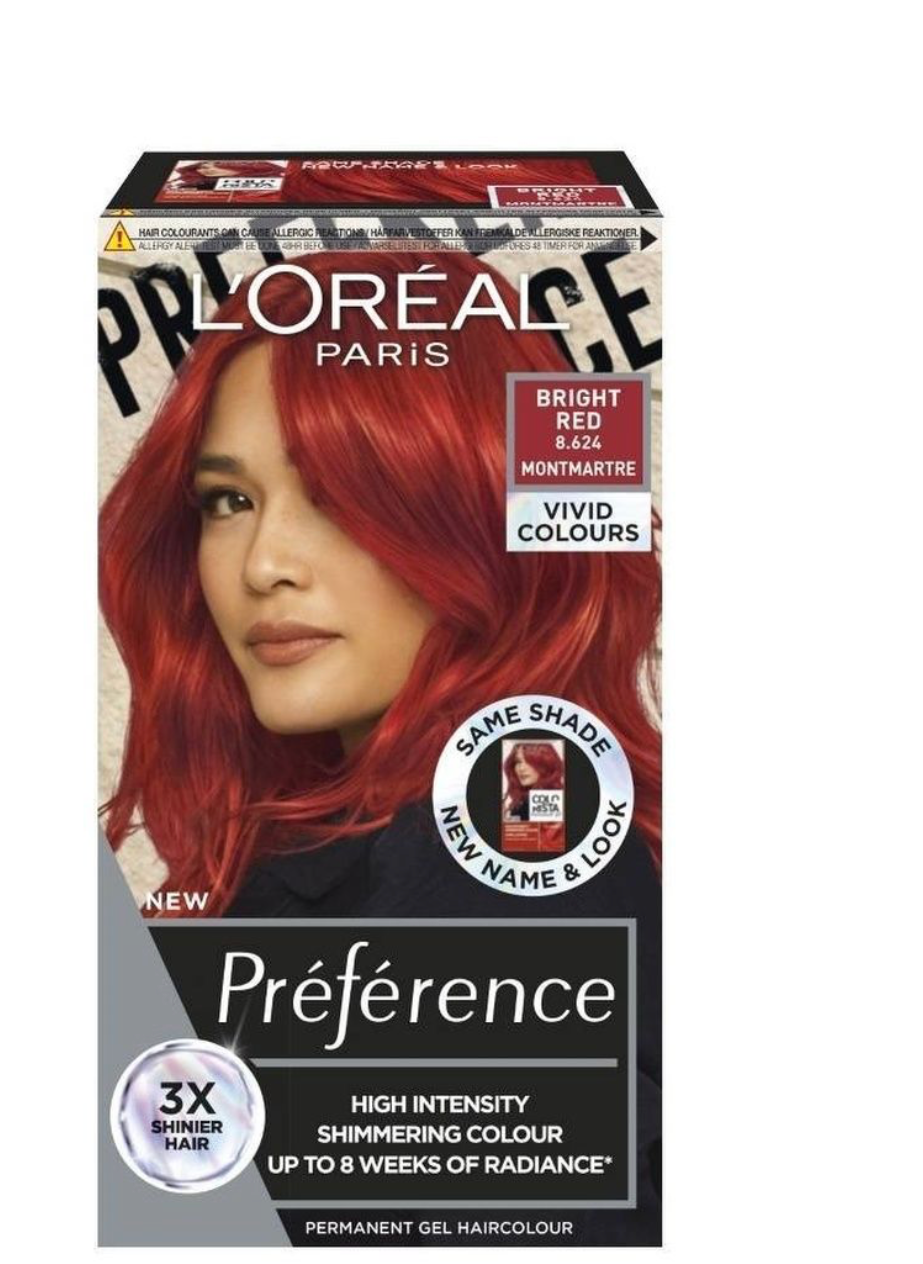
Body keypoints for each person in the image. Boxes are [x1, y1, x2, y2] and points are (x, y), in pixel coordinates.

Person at [99, 248, 661, 920]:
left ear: (491, 518)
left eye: (336, 498)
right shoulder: (363, 842)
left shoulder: (511, 859)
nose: (261, 566)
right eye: (229, 500)